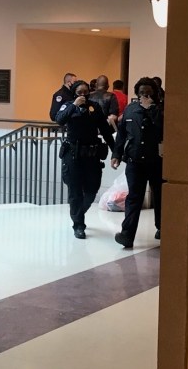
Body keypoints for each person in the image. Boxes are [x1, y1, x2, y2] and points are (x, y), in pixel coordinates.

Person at [55, 80, 116, 239]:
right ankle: (78, 224)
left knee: (91, 190)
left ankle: (78, 213)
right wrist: (74, 105)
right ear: (74, 93)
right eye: (79, 92)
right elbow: (59, 119)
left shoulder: (94, 107)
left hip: (92, 155)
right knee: (75, 191)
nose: (83, 95)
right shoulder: (68, 105)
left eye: (85, 92)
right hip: (73, 155)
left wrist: (115, 150)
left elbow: (105, 129)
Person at [110, 77, 164, 248]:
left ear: (154, 94)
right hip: (135, 162)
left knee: (160, 197)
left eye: (148, 93)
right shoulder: (131, 110)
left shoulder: (162, 110)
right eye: (141, 93)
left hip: (157, 162)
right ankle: (127, 235)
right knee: (134, 198)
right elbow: (122, 135)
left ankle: (162, 228)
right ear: (137, 93)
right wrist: (116, 154)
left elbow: (164, 128)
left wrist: (152, 110)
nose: (145, 96)